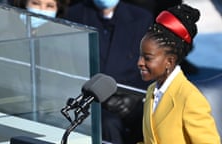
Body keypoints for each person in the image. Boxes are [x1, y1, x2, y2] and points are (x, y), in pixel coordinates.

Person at [65, 0, 153, 143]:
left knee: (151, 120)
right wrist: (98, 95)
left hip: (131, 97)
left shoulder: (141, 17)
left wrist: (134, 97)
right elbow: (68, 62)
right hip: (91, 98)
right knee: (108, 124)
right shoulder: (75, 14)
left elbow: (151, 63)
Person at [137, 4, 221, 144]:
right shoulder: (152, 90)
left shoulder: (190, 99)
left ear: (169, 61)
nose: (139, 62)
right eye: (140, 56)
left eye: (148, 58)